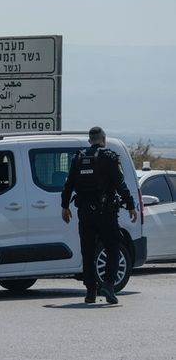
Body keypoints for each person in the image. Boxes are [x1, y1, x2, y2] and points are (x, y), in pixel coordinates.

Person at [61, 126, 137, 304]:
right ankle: (109, 285)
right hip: (106, 212)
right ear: (103, 139)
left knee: (87, 251)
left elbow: (68, 184)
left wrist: (65, 207)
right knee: (112, 247)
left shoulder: (78, 158)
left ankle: (90, 291)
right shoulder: (109, 158)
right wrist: (131, 205)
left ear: (90, 141)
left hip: (85, 213)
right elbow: (120, 184)